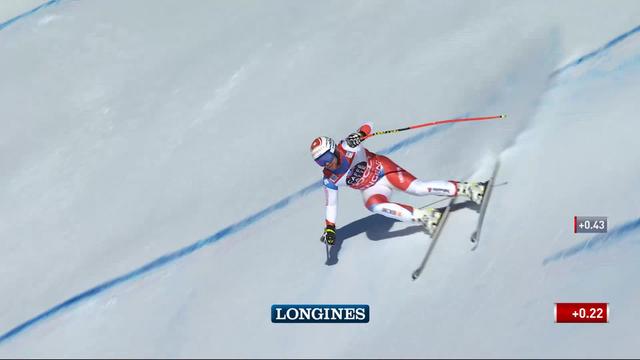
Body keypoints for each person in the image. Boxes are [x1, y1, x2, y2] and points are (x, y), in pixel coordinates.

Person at [310, 123, 486, 245]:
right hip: (372, 188)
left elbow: (368, 125)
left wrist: (360, 135)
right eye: (320, 162)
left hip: (384, 171)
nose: (326, 163)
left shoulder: (347, 147)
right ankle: (425, 216)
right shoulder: (329, 179)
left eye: (326, 158)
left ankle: (469, 189)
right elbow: (331, 204)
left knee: (419, 189)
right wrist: (330, 229)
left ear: (333, 150)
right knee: (373, 206)